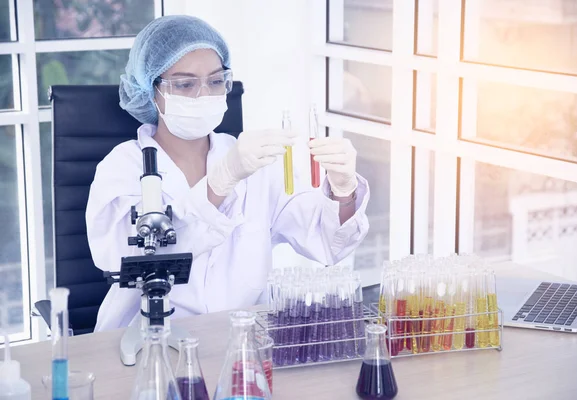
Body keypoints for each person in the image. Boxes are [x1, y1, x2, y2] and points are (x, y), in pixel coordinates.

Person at [86, 15, 370, 332]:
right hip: (146, 339)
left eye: (216, 80)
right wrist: (221, 182)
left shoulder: (253, 163)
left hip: (243, 338)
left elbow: (326, 241)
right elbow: (120, 258)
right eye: (184, 84)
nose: (204, 94)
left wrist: (343, 189)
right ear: (151, 91)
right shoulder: (123, 167)